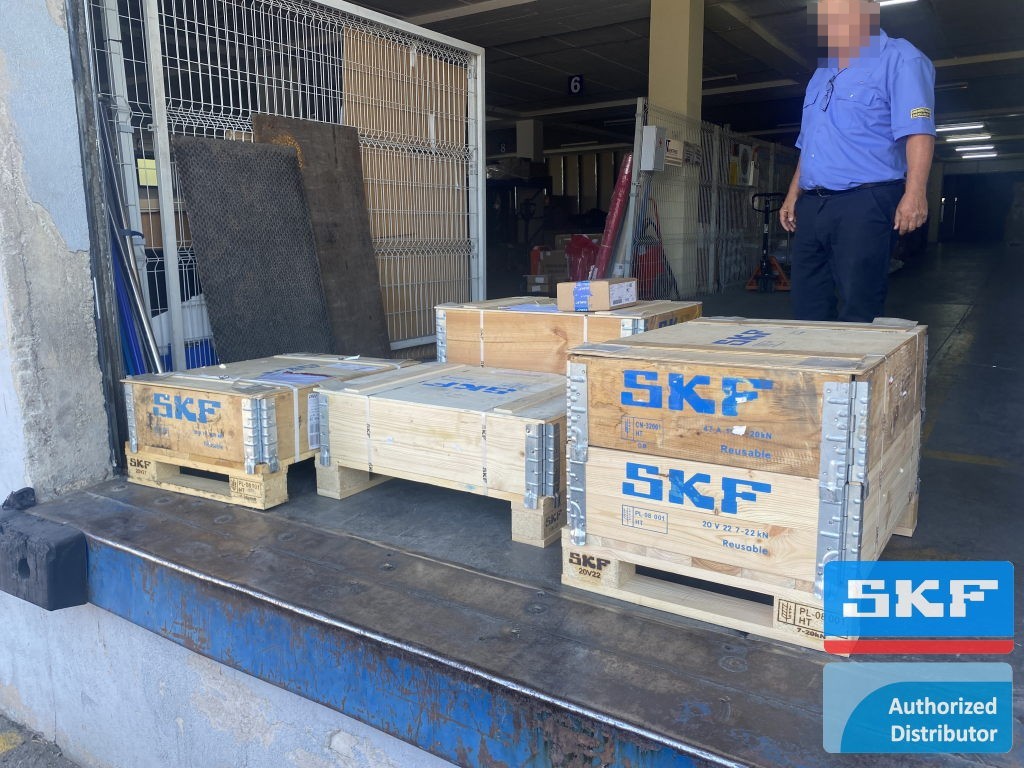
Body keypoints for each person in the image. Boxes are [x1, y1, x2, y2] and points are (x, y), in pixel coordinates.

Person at [780, 0, 936, 322]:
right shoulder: (823, 72)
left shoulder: (900, 58)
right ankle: (814, 357)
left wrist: (915, 193)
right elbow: (810, 142)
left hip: (865, 201)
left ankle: (855, 359)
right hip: (813, 204)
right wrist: (793, 194)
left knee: (859, 304)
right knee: (807, 302)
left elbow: (918, 131)